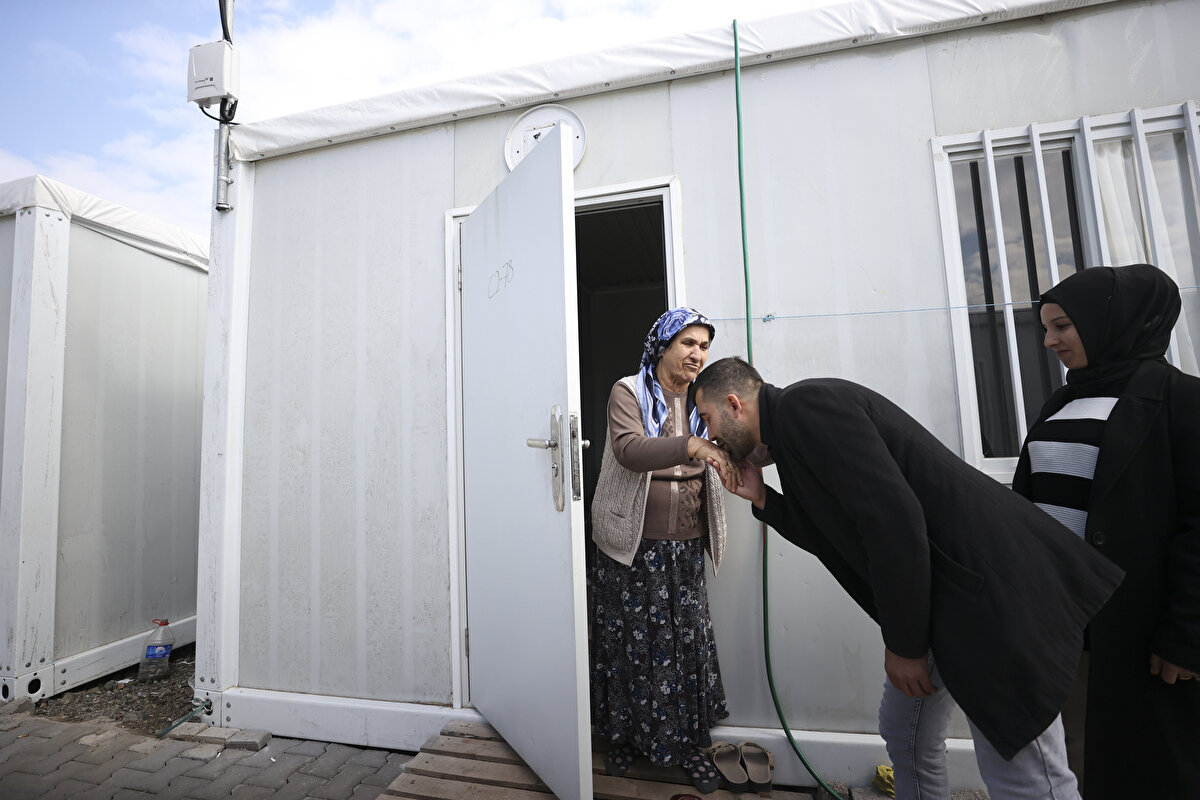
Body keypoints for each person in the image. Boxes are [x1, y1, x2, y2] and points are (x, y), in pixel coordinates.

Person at [690, 357, 1124, 800]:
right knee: (906, 733)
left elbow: (894, 522)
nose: (710, 436)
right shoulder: (793, 434)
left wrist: (906, 646)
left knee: (1026, 775)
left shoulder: (807, 408)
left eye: (707, 418)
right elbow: (836, 537)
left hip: (985, 599)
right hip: (935, 601)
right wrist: (762, 496)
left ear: (734, 403)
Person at [1012, 264, 1200, 799]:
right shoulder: (1062, 402)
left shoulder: (1181, 401)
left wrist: (1187, 634)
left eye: (1063, 326)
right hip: (1061, 627)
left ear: (1112, 322)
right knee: (1075, 760)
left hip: (1139, 630)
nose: (1049, 341)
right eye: (1046, 328)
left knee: (1149, 767)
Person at [590, 307, 739, 794]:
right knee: (632, 647)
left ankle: (686, 747)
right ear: (663, 346)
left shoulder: (705, 399)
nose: (697, 354)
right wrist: (692, 446)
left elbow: (734, 443)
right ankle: (627, 737)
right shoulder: (627, 392)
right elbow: (630, 450)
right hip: (632, 548)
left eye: (704, 346)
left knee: (683, 648)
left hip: (684, 548)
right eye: (688, 344)